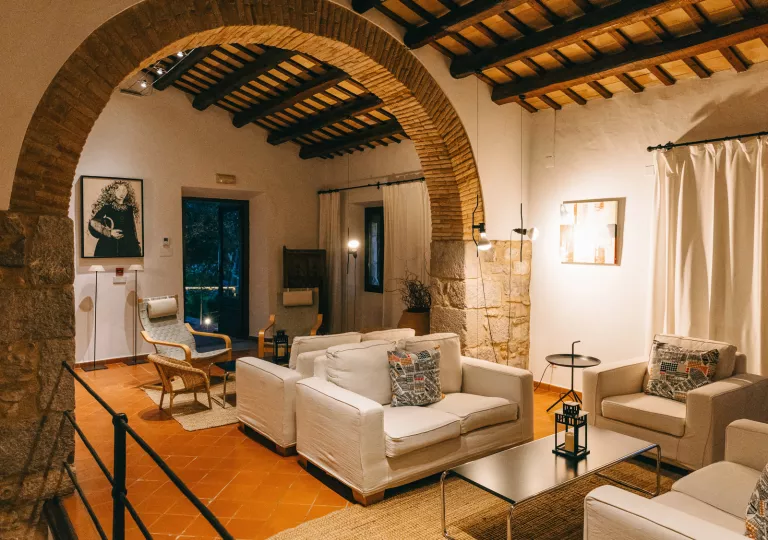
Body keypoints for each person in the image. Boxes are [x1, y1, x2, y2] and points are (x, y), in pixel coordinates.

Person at [88, 180, 142, 257]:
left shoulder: (130, 209)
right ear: (113, 191)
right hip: (108, 245)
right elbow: (93, 222)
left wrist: (136, 247)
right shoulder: (107, 207)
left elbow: (132, 229)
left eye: (124, 190)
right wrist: (109, 232)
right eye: (118, 190)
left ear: (127, 192)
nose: (121, 193)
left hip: (127, 246)